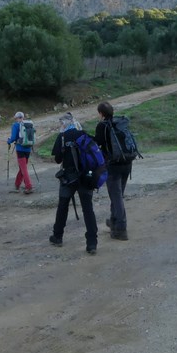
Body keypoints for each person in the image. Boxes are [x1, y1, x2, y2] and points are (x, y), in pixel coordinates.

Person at [50, 113, 98, 254]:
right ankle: (92, 243)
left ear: (63, 124)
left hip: (68, 178)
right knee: (88, 209)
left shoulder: (62, 136)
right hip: (85, 177)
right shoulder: (83, 134)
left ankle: (58, 236)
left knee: (63, 206)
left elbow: (58, 159)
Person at [94, 101, 130, 240]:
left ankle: (121, 229)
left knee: (116, 197)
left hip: (113, 164)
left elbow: (97, 143)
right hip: (127, 162)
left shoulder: (102, 126)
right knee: (118, 195)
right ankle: (114, 220)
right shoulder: (120, 122)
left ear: (101, 113)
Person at [7, 111, 33, 194]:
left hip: (20, 149)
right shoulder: (28, 124)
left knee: (23, 168)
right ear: (23, 117)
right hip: (28, 148)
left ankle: (28, 186)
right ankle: (17, 184)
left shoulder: (15, 125)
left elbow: (13, 137)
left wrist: (9, 141)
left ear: (16, 118)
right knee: (22, 167)